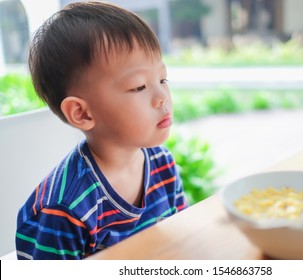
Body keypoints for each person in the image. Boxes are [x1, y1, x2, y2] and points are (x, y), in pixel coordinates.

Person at [15, 1, 187, 260]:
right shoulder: (64, 209)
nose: (162, 96)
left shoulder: (162, 164)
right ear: (82, 113)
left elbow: (182, 238)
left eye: (162, 79)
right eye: (139, 86)